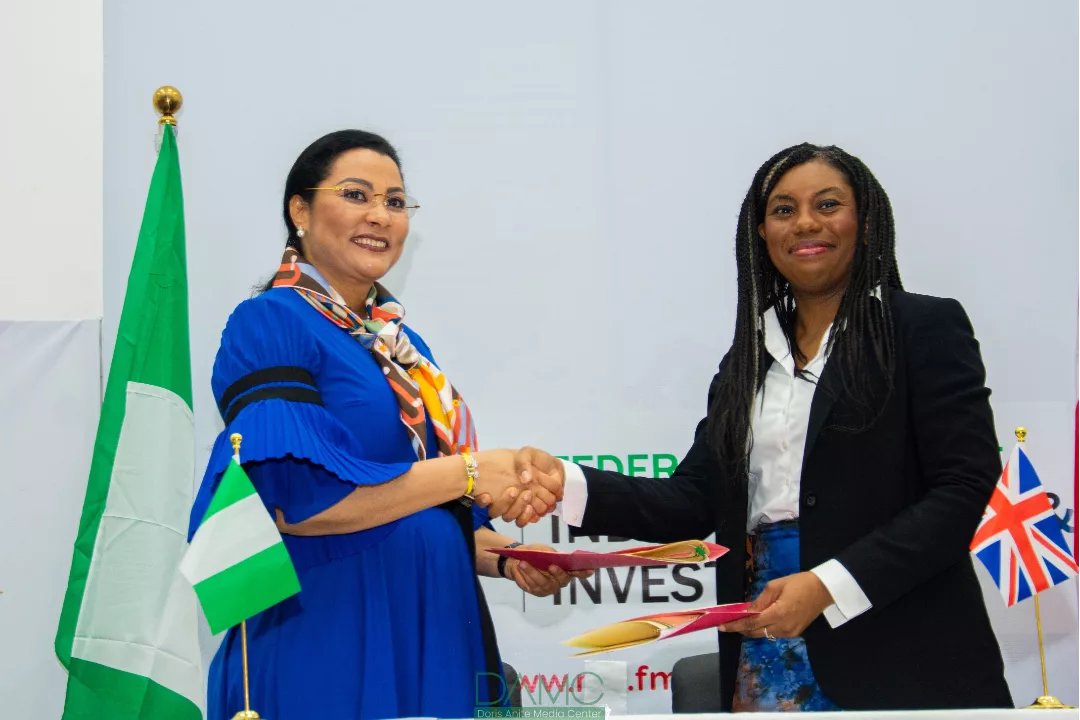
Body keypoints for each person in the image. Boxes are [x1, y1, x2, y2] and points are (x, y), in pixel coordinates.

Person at [513, 143, 1013, 711]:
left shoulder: (922, 326)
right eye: (783, 210)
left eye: (828, 204)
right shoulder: (748, 359)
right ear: (761, 233)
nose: (805, 223)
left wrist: (828, 585)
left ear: (866, 220)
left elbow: (963, 486)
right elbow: (693, 499)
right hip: (766, 640)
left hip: (903, 649)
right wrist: (565, 485)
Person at [188, 129, 566, 719]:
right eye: (356, 195)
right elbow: (298, 502)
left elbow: (419, 507)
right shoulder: (268, 323)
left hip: (436, 626)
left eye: (394, 201)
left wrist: (508, 558)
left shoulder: (403, 349)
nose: (380, 216)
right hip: (328, 632)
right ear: (299, 211)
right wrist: (470, 472)